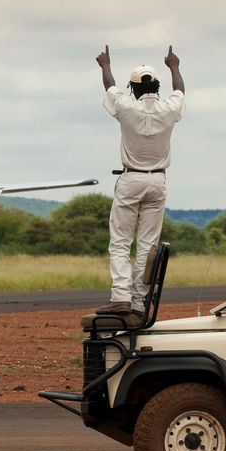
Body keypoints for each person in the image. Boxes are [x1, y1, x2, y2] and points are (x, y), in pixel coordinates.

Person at [94, 44, 185, 321]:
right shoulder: (169, 108)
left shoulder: (126, 107)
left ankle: (120, 296)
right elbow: (180, 91)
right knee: (148, 244)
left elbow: (110, 86)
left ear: (133, 88)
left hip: (130, 177)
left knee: (120, 242)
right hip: (158, 181)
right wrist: (174, 66)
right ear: (157, 85)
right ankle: (137, 300)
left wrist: (105, 65)